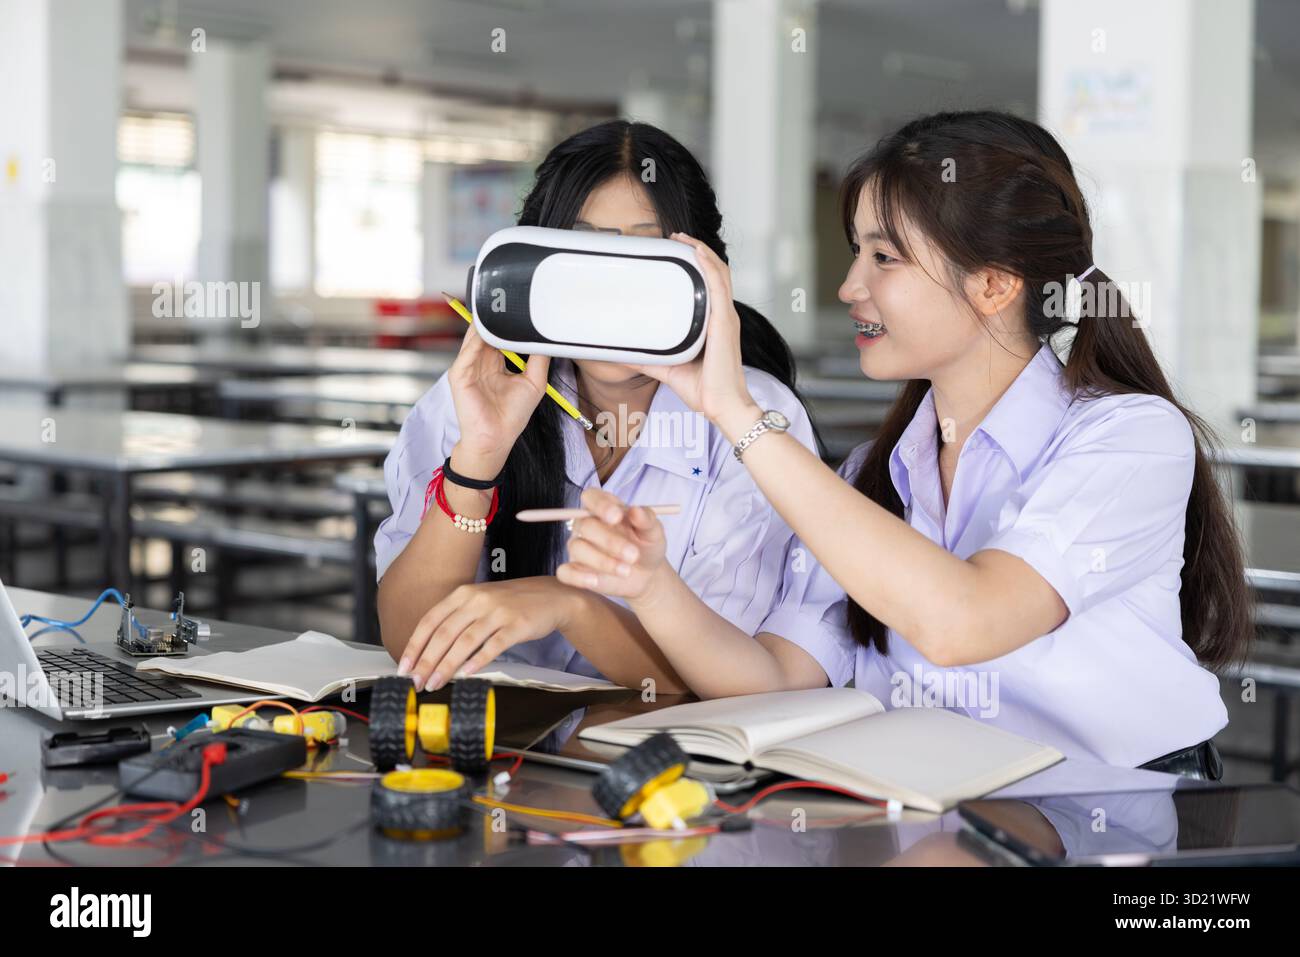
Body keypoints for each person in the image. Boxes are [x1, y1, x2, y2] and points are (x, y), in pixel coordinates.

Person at [558, 110, 1250, 772]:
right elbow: (773, 677)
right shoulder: (874, 474)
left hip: (1127, 814)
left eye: (883, 256)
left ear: (994, 283)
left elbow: (964, 621)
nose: (850, 285)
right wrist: (650, 585)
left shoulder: (1128, 438)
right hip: (946, 813)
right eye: (858, 250)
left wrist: (738, 414)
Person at [375, 119, 822, 693]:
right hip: (507, 752)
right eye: (585, 250)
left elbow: (724, 681)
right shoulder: (474, 395)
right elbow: (412, 640)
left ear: (702, 271)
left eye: (645, 251)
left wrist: (571, 607)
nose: (613, 288)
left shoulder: (752, 415)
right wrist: (477, 459)